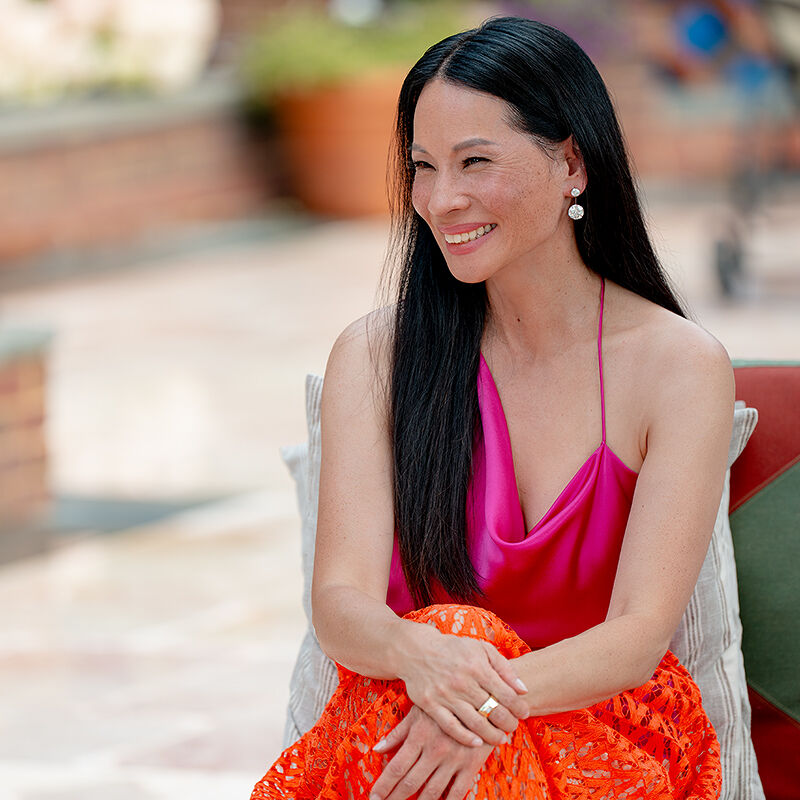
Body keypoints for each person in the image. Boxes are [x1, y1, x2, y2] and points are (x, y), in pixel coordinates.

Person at [251, 15, 732, 800]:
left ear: (572, 162)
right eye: (423, 166)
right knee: (451, 629)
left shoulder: (679, 367)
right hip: (408, 710)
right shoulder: (375, 355)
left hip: (598, 727)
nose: (441, 200)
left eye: (476, 162)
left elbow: (637, 638)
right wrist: (427, 663)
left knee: (458, 645)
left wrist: (471, 703)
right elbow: (340, 603)